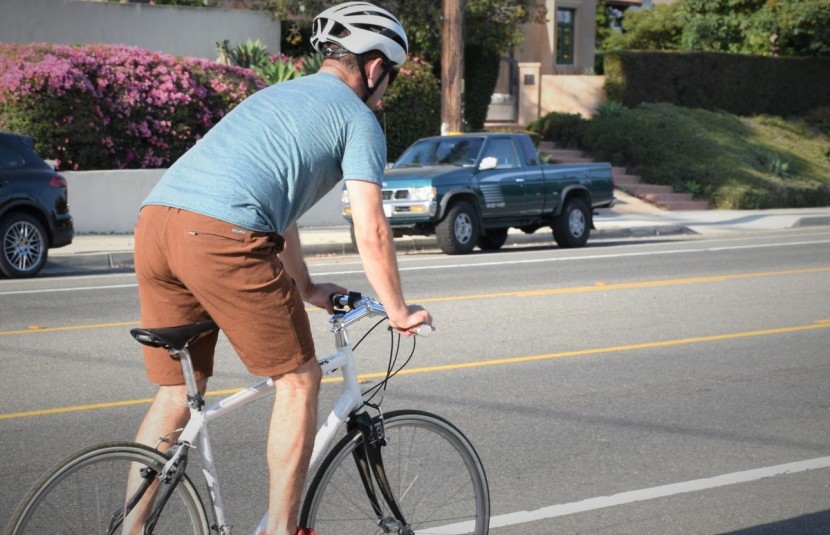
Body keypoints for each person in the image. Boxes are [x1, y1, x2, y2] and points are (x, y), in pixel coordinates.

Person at [130, 3, 432, 534]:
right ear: (376, 66)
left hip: (155, 225)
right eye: (391, 75)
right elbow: (372, 228)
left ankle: (127, 530)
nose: (386, 89)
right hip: (218, 236)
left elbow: (279, 212)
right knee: (299, 379)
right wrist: (399, 309)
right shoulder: (358, 119)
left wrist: (307, 285)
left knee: (176, 394)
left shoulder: (274, 96)